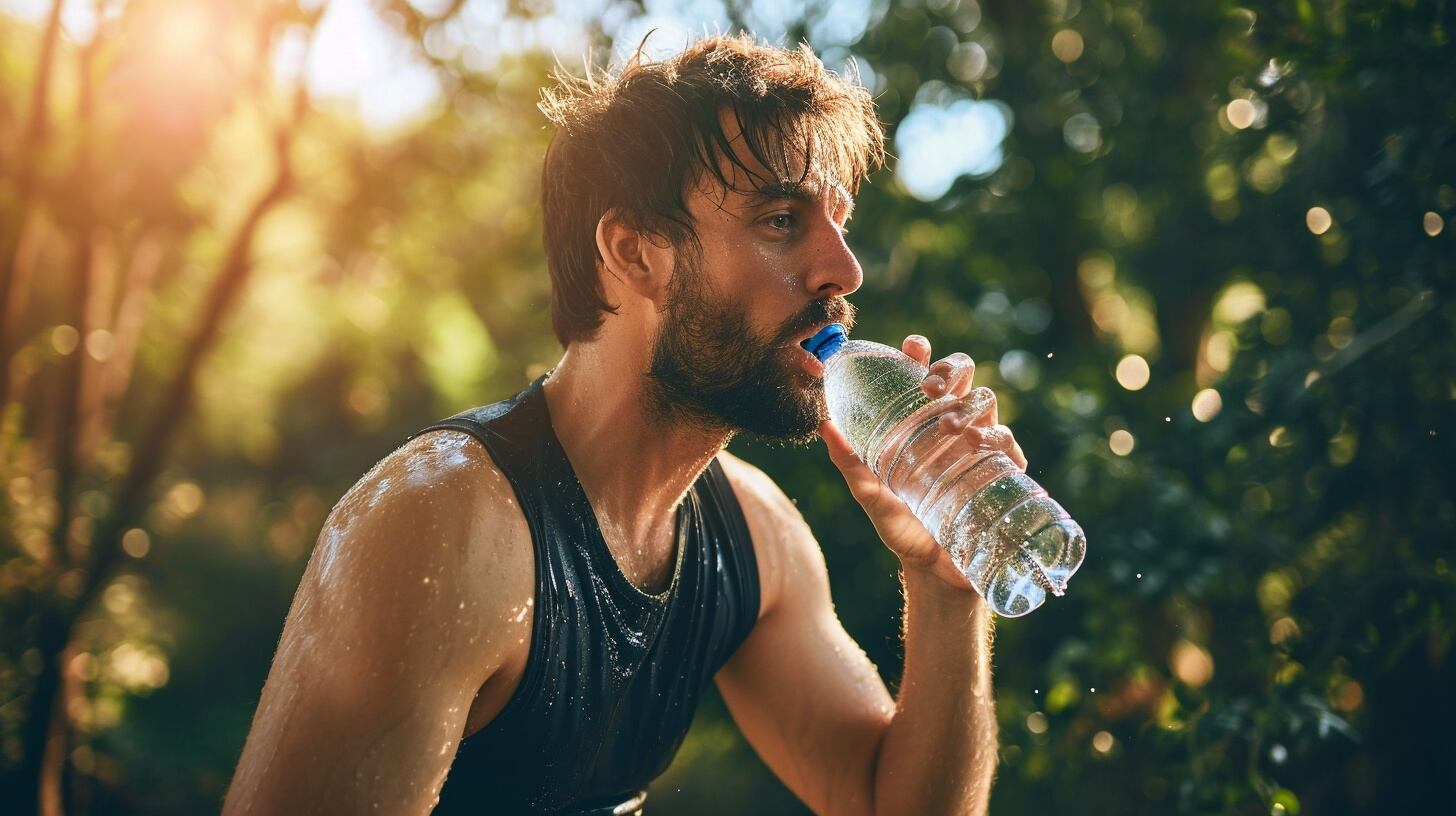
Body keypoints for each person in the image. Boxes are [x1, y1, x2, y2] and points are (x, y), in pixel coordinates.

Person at [224, 33, 1026, 816]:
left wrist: (945, 580)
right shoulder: (442, 522)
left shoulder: (755, 537)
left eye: (838, 221)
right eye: (781, 219)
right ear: (635, 253)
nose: (843, 270)